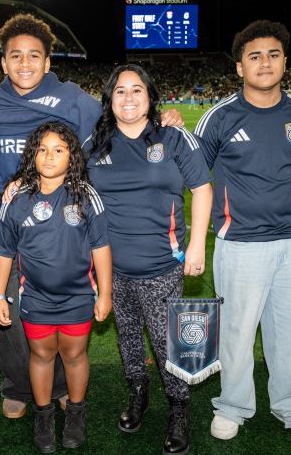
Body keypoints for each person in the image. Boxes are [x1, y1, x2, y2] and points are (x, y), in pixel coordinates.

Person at [0, 12, 184, 420]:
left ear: (48, 61)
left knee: (61, 301)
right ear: (2, 63)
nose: (24, 64)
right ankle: (18, 386)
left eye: (34, 55)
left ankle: (57, 386)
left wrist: (163, 116)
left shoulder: (72, 97)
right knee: (11, 308)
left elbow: (118, 118)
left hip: (64, 224)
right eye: (14, 56)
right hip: (8, 222)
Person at [193, 20, 291, 448]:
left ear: (285, 61)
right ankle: (232, 406)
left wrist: (284, 200)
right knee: (236, 328)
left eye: (272, 54)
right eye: (254, 56)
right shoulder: (219, 117)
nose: (264, 62)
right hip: (240, 242)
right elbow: (197, 176)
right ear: (239, 68)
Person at [84, 63, 213, 455]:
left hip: (162, 264)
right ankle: (137, 393)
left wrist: (197, 246)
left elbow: (203, 190)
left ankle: (178, 407)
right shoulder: (94, 144)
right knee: (126, 336)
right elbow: (62, 180)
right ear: (109, 99)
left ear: (150, 96)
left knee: (165, 339)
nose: (128, 98)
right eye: (120, 91)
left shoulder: (174, 138)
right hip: (111, 267)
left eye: (136, 90)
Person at [0, 121, 112, 453]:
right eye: (42, 149)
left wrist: (105, 292)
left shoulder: (86, 196)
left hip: (77, 297)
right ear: (32, 155)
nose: (49, 156)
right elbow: (3, 250)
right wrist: (0, 295)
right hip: (36, 298)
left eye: (58, 150)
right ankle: (43, 417)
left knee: (73, 354)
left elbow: (101, 247)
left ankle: (75, 412)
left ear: (71, 156)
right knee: (41, 355)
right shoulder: (17, 200)